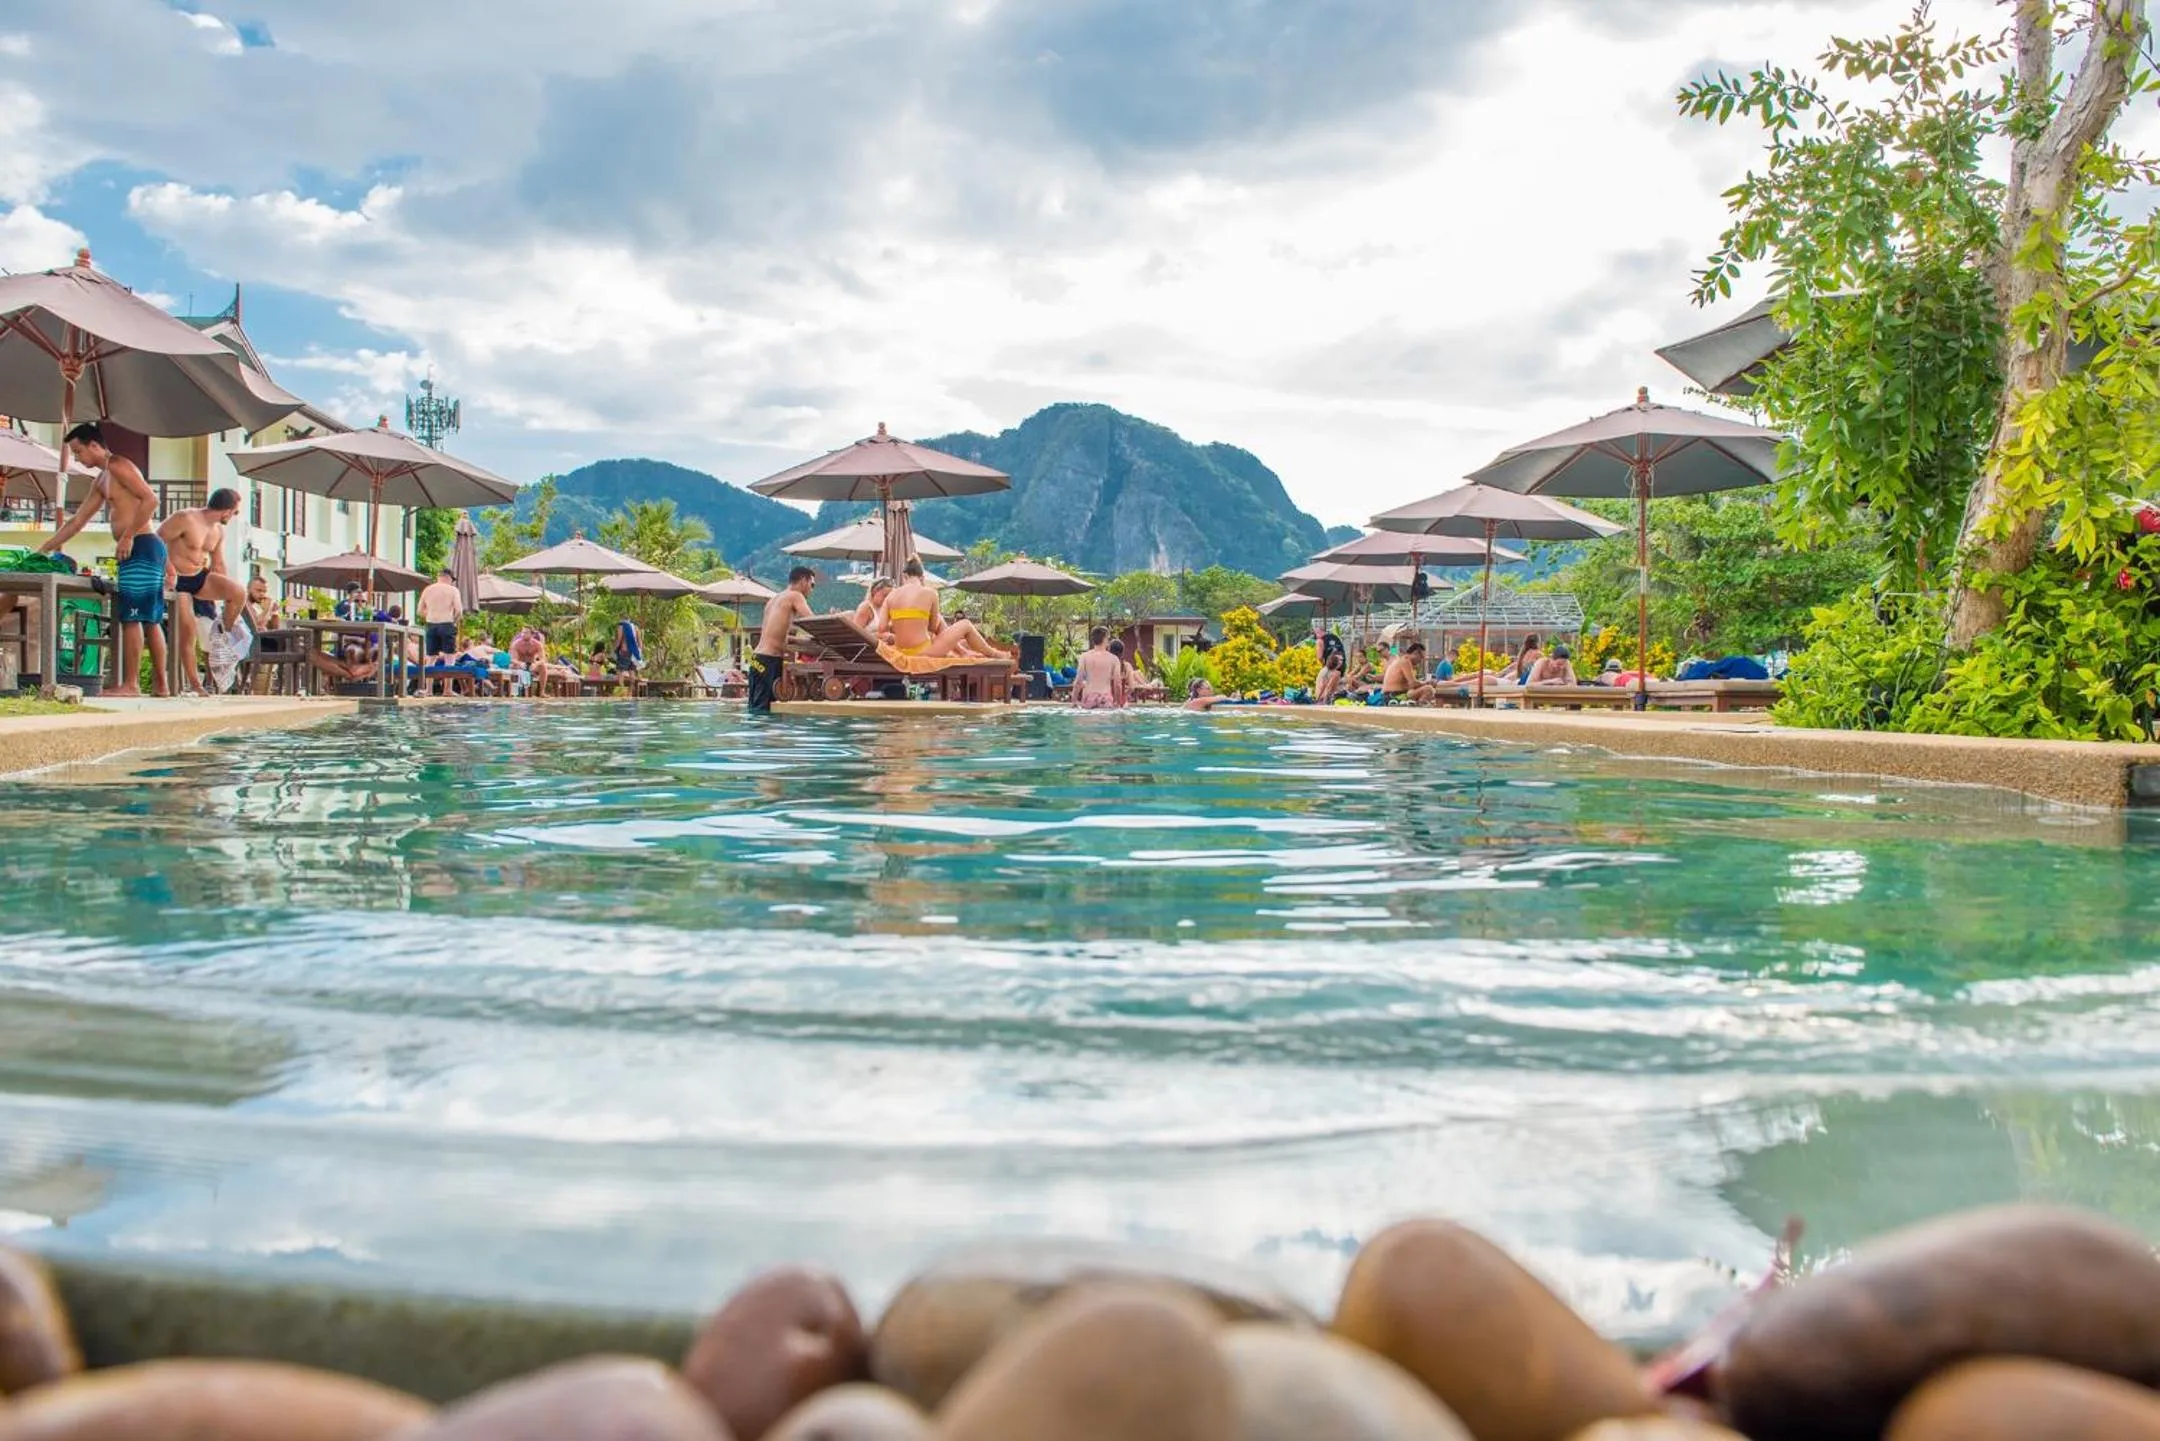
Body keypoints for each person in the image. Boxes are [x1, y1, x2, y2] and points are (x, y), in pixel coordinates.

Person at [34, 421, 166, 696]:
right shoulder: (101, 479)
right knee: (148, 619)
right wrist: (45, 547)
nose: (78, 458)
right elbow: (78, 521)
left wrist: (128, 536)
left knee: (134, 618)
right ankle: (161, 685)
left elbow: (151, 500)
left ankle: (131, 685)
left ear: (94, 445)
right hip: (140, 548)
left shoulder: (118, 464)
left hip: (140, 545)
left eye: (79, 451)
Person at [160, 487, 251, 694]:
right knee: (188, 630)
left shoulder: (218, 531)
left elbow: (218, 563)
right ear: (227, 510)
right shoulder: (185, 518)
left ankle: (222, 637)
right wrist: (169, 568)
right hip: (177, 581)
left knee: (238, 593)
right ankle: (196, 684)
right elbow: (156, 539)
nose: (234, 516)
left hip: (199, 577)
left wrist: (225, 598)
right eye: (235, 512)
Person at [882, 557, 1007, 660]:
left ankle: (963, 652)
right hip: (921, 651)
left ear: (904, 576)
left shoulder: (891, 596)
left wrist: (900, 624)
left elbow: (881, 628)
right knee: (966, 624)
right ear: (922, 578)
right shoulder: (930, 593)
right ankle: (994, 654)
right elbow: (932, 627)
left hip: (900, 650)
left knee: (940, 619)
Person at [749, 565, 818, 713]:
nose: (811, 590)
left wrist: (799, 640)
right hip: (769, 660)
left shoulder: (773, 600)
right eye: (812, 585)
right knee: (766, 710)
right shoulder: (795, 595)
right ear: (803, 580)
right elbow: (813, 621)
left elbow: (774, 634)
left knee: (755, 708)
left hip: (756, 658)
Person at [416, 568, 464, 675]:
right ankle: (447, 690)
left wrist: (429, 616)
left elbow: (419, 611)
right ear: (449, 578)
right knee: (449, 659)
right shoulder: (453, 590)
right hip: (447, 623)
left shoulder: (428, 589)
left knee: (430, 659)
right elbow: (459, 610)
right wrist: (454, 621)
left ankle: (428, 689)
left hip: (431, 624)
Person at [1071, 626, 1121, 710]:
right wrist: (1117, 703)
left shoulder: (1084, 657)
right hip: (1105, 698)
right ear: (1105, 639)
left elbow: (1078, 681)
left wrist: (1074, 701)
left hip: (1088, 697)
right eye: (1108, 638)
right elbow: (1117, 684)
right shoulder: (1114, 659)